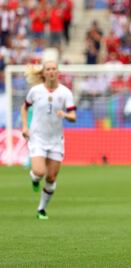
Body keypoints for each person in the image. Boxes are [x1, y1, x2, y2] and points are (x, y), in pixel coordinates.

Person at [20, 60, 77, 220]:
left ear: (58, 72)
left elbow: (73, 116)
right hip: (37, 137)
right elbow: (24, 107)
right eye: (48, 69)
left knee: (51, 178)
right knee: (39, 172)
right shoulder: (35, 91)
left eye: (54, 69)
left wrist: (65, 115)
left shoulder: (66, 93)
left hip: (56, 141)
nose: (51, 71)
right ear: (44, 73)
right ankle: (35, 179)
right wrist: (25, 127)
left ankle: (41, 210)